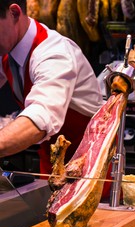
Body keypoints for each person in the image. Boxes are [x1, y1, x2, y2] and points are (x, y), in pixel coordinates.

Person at [0, 1, 104, 175]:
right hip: (51, 170)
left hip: (89, 174)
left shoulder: (54, 54)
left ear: (14, 13)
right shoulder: (7, 46)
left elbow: (40, 118)